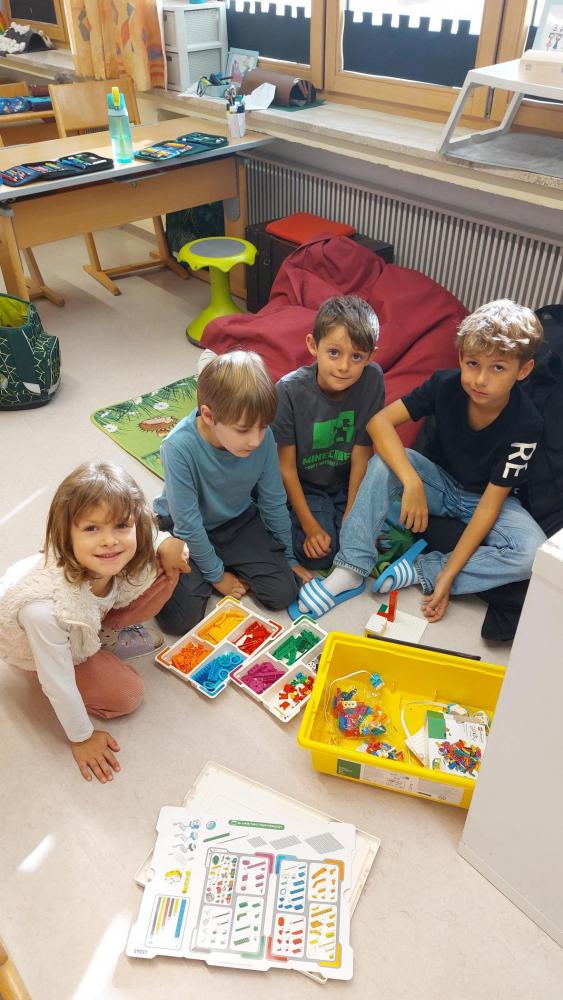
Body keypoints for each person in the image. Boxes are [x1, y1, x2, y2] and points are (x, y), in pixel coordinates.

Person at [291, 299, 547, 623]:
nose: (480, 379)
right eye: (473, 364)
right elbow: (379, 423)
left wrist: (447, 575)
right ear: (460, 358)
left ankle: (422, 568)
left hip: (486, 500)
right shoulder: (445, 384)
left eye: (498, 368)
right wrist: (411, 482)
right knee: (383, 464)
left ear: (523, 370)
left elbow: (489, 506)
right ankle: (351, 568)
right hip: (438, 483)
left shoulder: (527, 423)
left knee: (532, 552)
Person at [0, 462, 189, 784]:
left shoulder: (122, 545)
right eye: (91, 529)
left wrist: (167, 543)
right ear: (65, 534)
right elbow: (58, 681)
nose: (109, 541)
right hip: (33, 645)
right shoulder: (44, 610)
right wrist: (82, 738)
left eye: (121, 526)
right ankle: (67, 655)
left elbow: (149, 534)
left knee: (165, 565)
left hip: (83, 612)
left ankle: (98, 636)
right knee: (127, 694)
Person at [154, 350, 311, 635]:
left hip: (236, 520)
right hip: (181, 527)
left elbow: (274, 501)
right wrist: (218, 577)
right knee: (179, 619)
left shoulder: (262, 438)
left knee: (283, 592)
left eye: (263, 427)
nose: (255, 440)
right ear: (209, 415)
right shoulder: (177, 447)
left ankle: (220, 561)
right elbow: (188, 524)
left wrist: (288, 557)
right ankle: (196, 563)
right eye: (243, 430)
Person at [272, 295, 384, 570]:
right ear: (313, 345)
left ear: (370, 356)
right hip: (306, 486)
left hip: (346, 484)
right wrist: (310, 526)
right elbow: (285, 468)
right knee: (321, 553)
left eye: (356, 356)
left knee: (359, 544)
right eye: (334, 352)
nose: (344, 366)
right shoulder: (288, 390)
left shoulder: (372, 379)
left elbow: (362, 454)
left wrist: (353, 515)